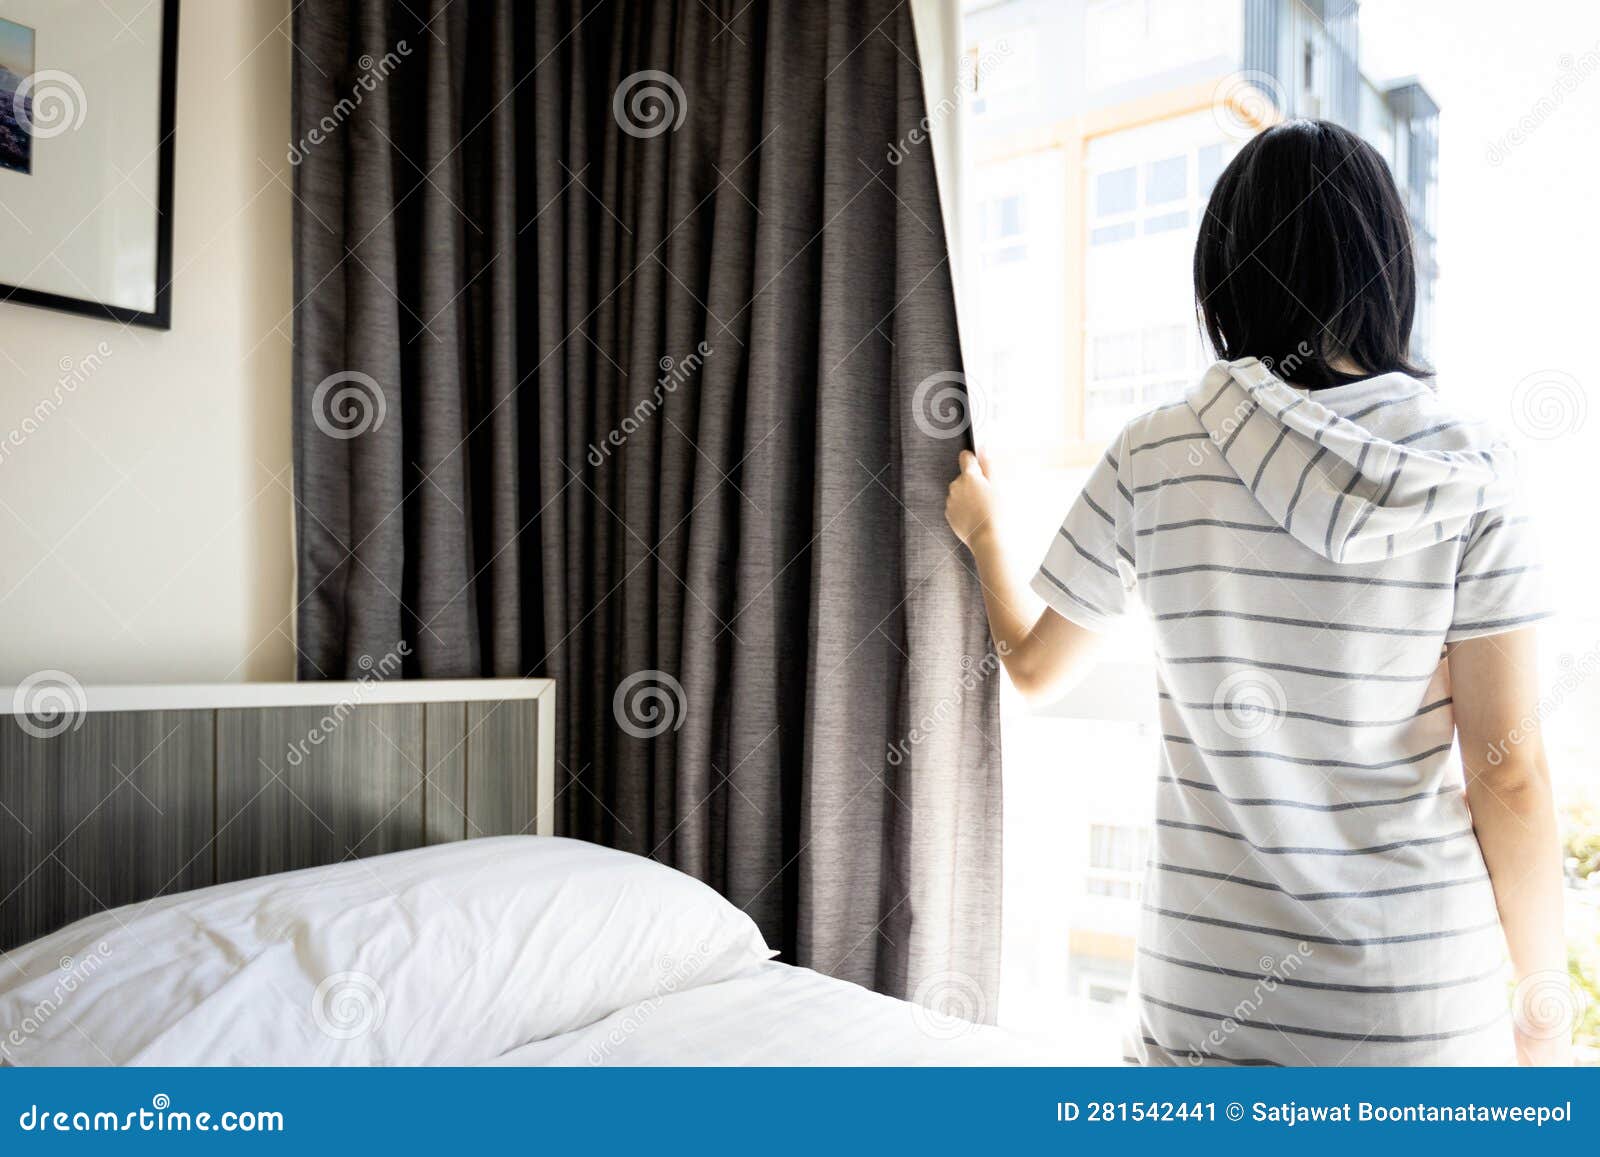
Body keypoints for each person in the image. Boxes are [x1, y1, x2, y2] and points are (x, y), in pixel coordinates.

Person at [944, 119, 1568, 1066]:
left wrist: (987, 530)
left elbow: (1032, 670)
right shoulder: (1469, 468)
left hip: (1204, 1009)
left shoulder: (1156, 450)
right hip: (1415, 1016)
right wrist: (1542, 1026)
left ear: (1226, 270)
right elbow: (1508, 773)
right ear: (1385, 266)